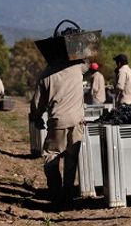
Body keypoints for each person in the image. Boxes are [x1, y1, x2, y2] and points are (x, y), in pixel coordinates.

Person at [30, 59, 89, 206]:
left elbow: (37, 103)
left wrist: (37, 117)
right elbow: (88, 64)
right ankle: (68, 192)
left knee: (51, 155)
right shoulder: (78, 68)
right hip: (77, 121)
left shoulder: (46, 75)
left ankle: (56, 192)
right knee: (71, 158)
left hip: (57, 121)